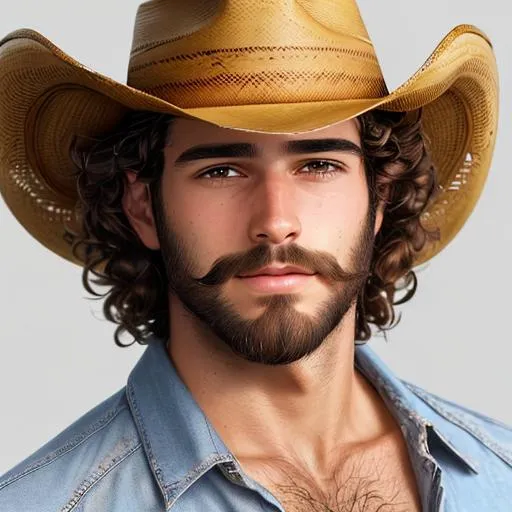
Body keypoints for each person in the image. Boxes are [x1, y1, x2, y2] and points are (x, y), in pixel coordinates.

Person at [0, 0, 510, 510]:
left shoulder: (500, 476)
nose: (275, 222)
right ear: (143, 207)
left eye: (318, 165)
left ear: (379, 197)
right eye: (221, 170)